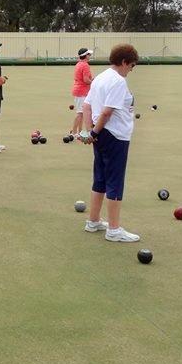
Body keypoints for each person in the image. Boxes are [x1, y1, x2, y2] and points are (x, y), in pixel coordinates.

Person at [80, 44, 141, 243]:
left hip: (102, 135)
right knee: (115, 180)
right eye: (131, 66)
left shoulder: (101, 77)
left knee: (100, 178)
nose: (130, 70)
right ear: (124, 62)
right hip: (115, 136)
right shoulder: (117, 81)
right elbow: (106, 112)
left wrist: (91, 132)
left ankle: (93, 221)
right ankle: (114, 230)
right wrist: (94, 132)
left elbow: (87, 106)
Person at [69, 48, 94, 137]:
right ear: (85, 55)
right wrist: (94, 82)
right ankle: (74, 133)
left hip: (79, 90)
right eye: (89, 54)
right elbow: (86, 80)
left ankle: (79, 132)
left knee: (82, 112)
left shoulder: (79, 64)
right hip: (82, 91)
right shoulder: (85, 65)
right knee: (80, 113)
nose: (90, 56)